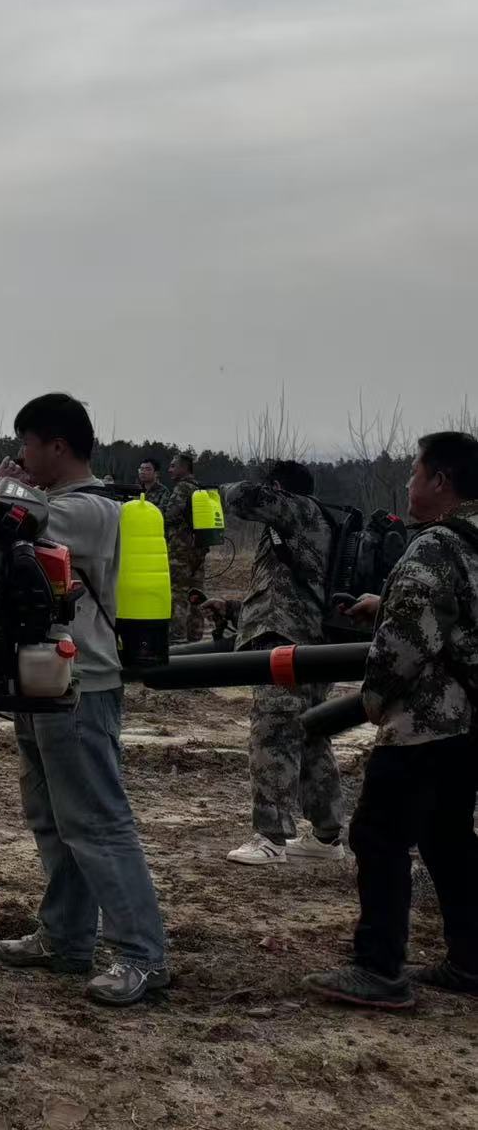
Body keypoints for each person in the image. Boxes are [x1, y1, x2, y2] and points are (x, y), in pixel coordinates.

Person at [0, 393, 171, 1007]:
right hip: (43, 678)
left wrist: (2, 491)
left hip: (80, 684)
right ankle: (66, 936)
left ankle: (142, 954)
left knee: (96, 821)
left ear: (58, 446)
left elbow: (4, 530)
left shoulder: (87, 509)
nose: (22, 457)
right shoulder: (59, 504)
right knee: (52, 817)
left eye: (27, 445)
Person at [305, 432, 478, 1009]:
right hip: (468, 725)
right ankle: (470, 959)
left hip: (425, 724)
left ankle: (379, 968)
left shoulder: (435, 546)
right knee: (448, 837)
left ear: (441, 481)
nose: (408, 483)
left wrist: (373, 698)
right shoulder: (470, 541)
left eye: (414, 472)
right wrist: (387, 602)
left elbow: (405, 644)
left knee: (378, 835)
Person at [198, 461, 345, 866]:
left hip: (290, 647)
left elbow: (245, 497)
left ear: (279, 489)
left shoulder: (301, 511)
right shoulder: (296, 528)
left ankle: (271, 837)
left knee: (273, 733)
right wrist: (233, 609)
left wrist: (211, 488)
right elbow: (284, 595)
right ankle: (327, 836)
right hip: (303, 642)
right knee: (310, 735)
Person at [162, 452, 209, 642]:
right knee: (196, 594)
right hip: (199, 549)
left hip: (180, 550)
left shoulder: (182, 488)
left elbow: (171, 514)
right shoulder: (200, 489)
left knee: (177, 593)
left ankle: (176, 636)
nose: (169, 470)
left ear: (184, 468)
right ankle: (195, 636)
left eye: (173, 466)